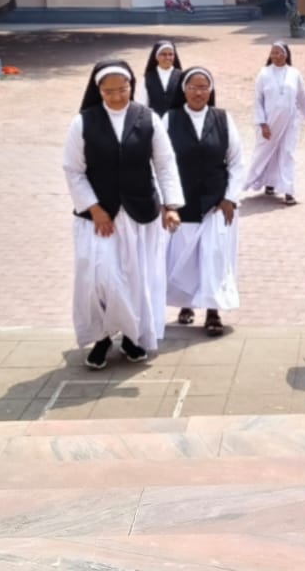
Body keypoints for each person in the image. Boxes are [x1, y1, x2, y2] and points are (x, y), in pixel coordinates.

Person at [63, 59, 185, 369]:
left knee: (135, 279)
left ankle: (132, 337)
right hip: (98, 218)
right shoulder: (83, 122)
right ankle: (102, 336)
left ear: (132, 86)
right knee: (100, 278)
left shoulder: (148, 119)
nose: (117, 96)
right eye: (109, 92)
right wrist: (95, 208)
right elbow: (74, 170)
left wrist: (171, 206)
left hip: (139, 214)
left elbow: (165, 163)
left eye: (123, 89)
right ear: (98, 90)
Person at [164, 66, 245, 337]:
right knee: (184, 259)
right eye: (193, 87)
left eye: (203, 87)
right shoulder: (170, 119)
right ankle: (186, 304)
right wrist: (168, 202)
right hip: (182, 202)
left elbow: (237, 161)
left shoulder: (223, 119)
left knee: (214, 258)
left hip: (216, 203)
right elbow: (160, 162)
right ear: (183, 90)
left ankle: (213, 311)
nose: (198, 93)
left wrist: (230, 198)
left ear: (210, 91)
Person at [244, 41, 305, 205]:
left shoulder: (294, 73)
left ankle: (288, 191)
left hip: (290, 121)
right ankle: (268, 182)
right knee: (266, 152)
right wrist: (262, 124)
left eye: (278, 52)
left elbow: (303, 97)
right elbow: (258, 100)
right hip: (269, 122)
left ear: (286, 54)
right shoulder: (263, 73)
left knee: (287, 153)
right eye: (273, 53)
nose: (275, 56)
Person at [141, 40, 186, 115]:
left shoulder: (181, 76)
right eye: (164, 54)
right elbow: (143, 102)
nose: (167, 57)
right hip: (154, 118)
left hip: (176, 119)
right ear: (156, 57)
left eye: (171, 54)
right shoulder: (148, 77)